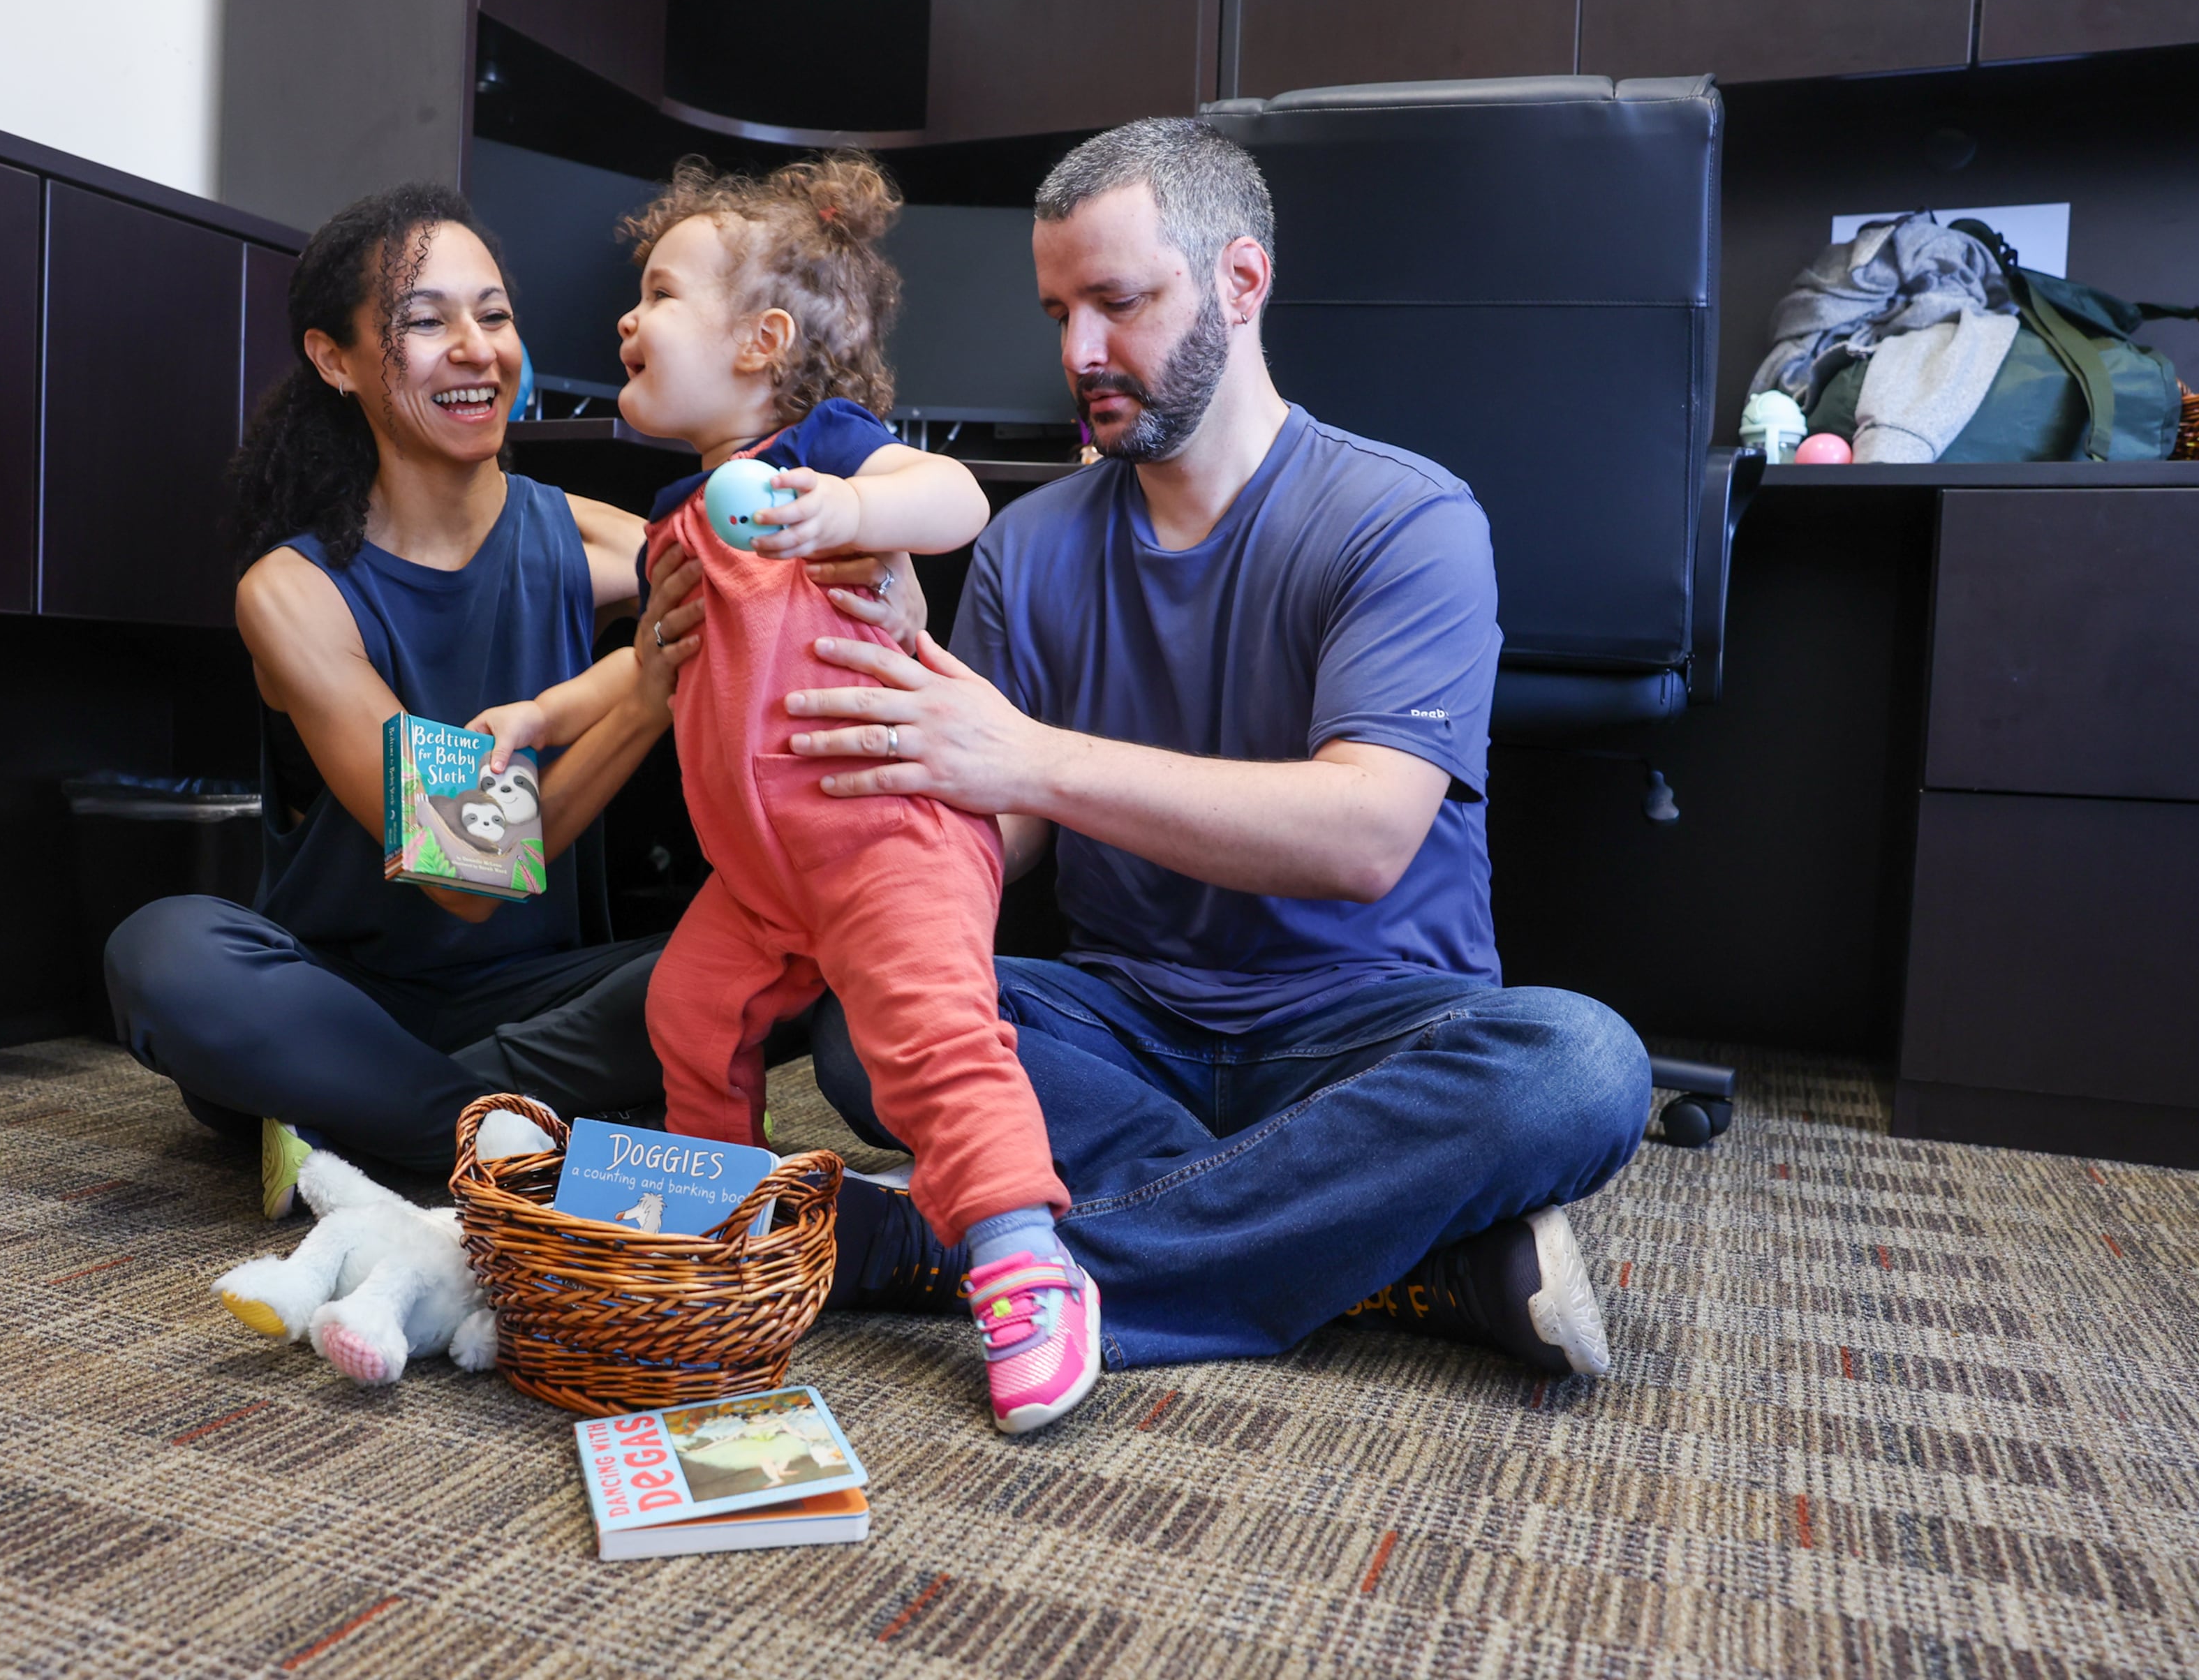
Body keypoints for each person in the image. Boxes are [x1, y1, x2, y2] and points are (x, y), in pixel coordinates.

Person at [790, 120, 1652, 1377]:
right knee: (862, 1025)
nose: (1081, 352)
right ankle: (1399, 1254)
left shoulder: (1404, 519)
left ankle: (944, 1252)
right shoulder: (1029, 549)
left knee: (1576, 1066)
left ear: (1242, 282)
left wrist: (1027, 756)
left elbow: (1362, 836)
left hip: (1370, 1038)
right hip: (1128, 1025)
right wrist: (896, 711)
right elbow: (1001, 834)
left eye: (1119, 302)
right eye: (1058, 312)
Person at [102, 182, 917, 1215]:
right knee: (165, 952)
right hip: (339, 1000)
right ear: (335, 360)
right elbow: (464, 877)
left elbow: (802, 589)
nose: (476, 348)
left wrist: (889, 568)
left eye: (493, 315)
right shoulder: (295, 594)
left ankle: (374, 1127)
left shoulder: (594, 539)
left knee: (793, 946)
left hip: (548, 998)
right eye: (425, 321)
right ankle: (520, 1149)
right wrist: (643, 696)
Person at [602, 155, 1097, 1434]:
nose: (625, 320)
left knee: (929, 1041)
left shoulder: (819, 462)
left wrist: (848, 508)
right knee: (689, 1005)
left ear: (763, 345)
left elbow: (959, 497)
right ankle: (723, 1223)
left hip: (889, 832)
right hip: (762, 877)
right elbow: (648, 674)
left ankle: (1023, 1261)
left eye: (656, 294)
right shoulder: (676, 515)